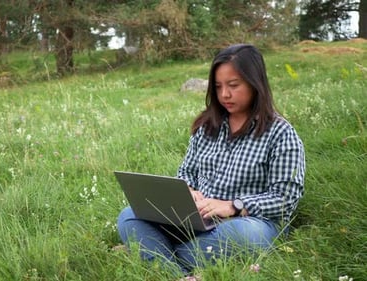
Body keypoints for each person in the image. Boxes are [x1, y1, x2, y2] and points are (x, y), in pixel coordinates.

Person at [116, 44, 305, 280]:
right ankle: (178, 271)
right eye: (218, 87)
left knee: (244, 235)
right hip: (196, 219)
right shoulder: (208, 127)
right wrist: (189, 191)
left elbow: (286, 198)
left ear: (255, 83)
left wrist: (234, 205)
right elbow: (186, 172)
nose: (225, 94)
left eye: (233, 85)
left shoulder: (281, 133)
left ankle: (152, 251)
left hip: (245, 223)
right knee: (128, 215)